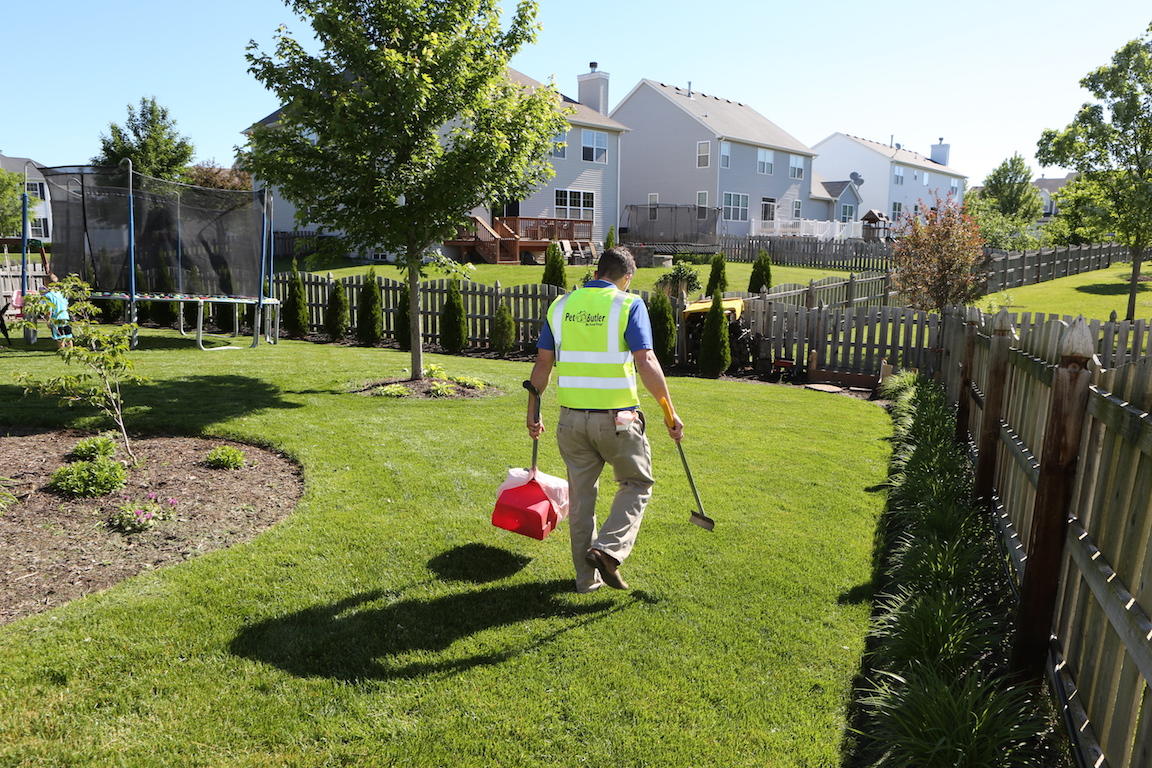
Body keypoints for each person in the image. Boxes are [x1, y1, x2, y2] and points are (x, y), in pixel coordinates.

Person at [527, 246, 683, 593]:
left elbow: (542, 365)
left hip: (570, 421)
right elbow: (646, 361)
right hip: (618, 420)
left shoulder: (561, 306)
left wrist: (532, 411)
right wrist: (669, 413)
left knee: (581, 502)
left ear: (597, 272)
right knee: (637, 484)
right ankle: (610, 550)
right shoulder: (629, 304)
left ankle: (586, 581)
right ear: (627, 276)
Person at [42, 275, 73, 350]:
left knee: (60, 336)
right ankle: (71, 350)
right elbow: (66, 305)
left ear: (46, 283)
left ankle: (62, 351)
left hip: (56, 319)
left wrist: (48, 321)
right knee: (68, 335)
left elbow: (48, 310)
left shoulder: (48, 296)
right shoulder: (62, 294)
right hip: (65, 317)